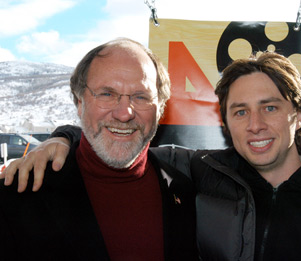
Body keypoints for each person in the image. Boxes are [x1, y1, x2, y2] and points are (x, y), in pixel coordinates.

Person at [2, 52, 301, 260]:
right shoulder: (205, 174)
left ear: (298, 112)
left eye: (271, 107)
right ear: (225, 122)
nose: (255, 124)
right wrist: (64, 138)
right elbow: (123, 141)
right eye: (239, 111)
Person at [0, 38, 198, 260]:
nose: (124, 113)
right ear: (80, 102)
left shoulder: (183, 190)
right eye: (107, 94)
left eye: (141, 96)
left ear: (160, 108)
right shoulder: (17, 194)